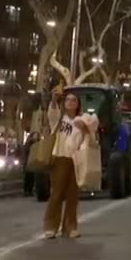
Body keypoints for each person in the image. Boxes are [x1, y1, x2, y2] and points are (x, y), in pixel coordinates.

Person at [44, 92, 95, 239]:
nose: (71, 102)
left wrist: (85, 129)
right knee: (57, 193)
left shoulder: (82, 119)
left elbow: (90, 138)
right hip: (60, 157)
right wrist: (54, 98)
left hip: (77, 160)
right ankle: (51, 226)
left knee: (73, 195)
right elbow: (52, 110)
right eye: (68, 99)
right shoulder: (59, 118)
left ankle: (70, 227)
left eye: (74, 100)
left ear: (78, 104)